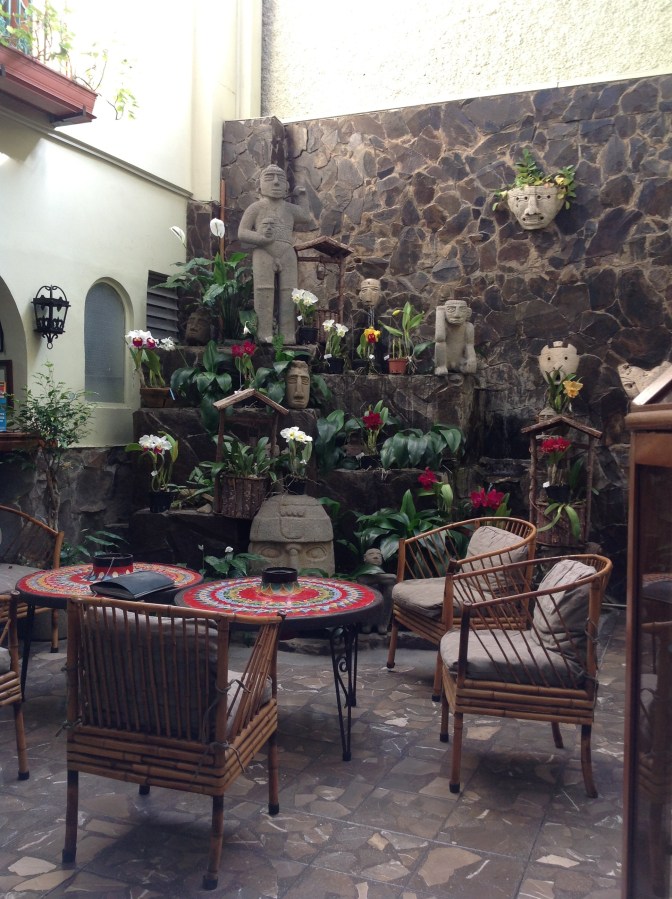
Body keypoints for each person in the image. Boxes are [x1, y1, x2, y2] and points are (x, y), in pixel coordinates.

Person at [238, 165, 313, 343]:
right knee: (263, 290)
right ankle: (264, 333)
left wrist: (302, 197)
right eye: (269, 177)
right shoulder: (256, 208)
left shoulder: (289, 208)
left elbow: (305, 216)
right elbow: (242, 233)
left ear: (286, 186)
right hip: (263, 252)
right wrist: (261, 238)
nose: (276, 182)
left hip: (287, 252)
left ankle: (288, 334)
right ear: (259, 186)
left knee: (289, 293)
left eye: (280, 178)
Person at [434, 299, 477, 375]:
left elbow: (469, 345)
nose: (457, 315)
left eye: (462, 310)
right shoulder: (445, 326)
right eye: (451, 310)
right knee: (440, 344)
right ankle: (441, 366)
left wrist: (471, 359)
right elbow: (440, 338)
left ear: (468, 313)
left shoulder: (468, 326)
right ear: (444, 312)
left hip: (460, 362)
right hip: (445, 361)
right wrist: (439, 313)